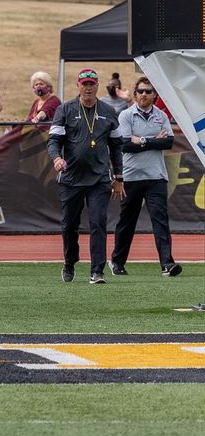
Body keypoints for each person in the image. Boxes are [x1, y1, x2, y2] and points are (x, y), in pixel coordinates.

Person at [46, 68, 124, 284]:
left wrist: (119, 177)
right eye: (84, 84)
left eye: (92, 84)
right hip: (71, 178)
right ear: (78, 86)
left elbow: (116, 146)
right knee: (69, 225)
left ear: (97, 86)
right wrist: (56, 159)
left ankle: (97, 270)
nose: (88, 88)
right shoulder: (65, 110)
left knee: (98, 222)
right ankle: (70, 262)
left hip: (99, 178)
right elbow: (53, 141)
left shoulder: (108, 111)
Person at [109, 78, 182, 278]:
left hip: (156, 176)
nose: (144, 94)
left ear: (154, 95)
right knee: (127, 221)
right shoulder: (126, 115)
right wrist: (151, 141)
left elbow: (168, 142)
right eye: (140, 91)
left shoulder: (161, 116)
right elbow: (125, 144)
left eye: (148, 91)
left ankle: (167, 264)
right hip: (131, 177)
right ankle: (117, 261)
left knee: (160, 220)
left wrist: (140, 140)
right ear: (135, 93)